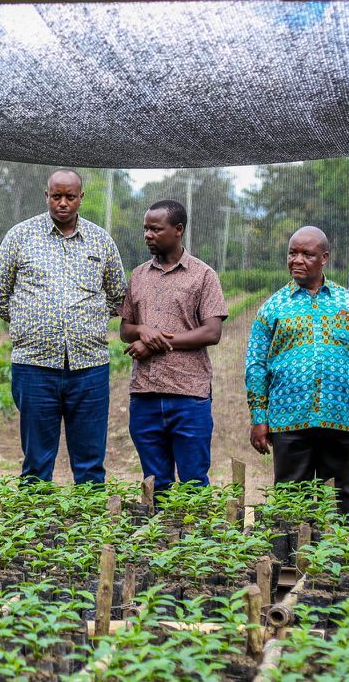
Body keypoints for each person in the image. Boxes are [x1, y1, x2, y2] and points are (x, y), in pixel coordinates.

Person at [0, 169, 126, 484]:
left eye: (70, 197)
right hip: (34, 365)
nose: (62, 203)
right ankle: (35, 527)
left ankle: (90, 524)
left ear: (81, 198)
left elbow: (118, 295)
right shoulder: (20, 236)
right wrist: (30, 321)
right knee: (36, 461)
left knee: (90, 462)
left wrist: (88, 319)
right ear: (46, 195)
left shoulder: (101, 240)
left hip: (89, 365)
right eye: (56, 196)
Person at [246, 226, 349, 514]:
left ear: (324, 258)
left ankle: (338, 556)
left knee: (338, 497)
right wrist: (259, 417)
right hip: (289, 419)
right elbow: (256, 365)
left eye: (306, 254)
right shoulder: (273, 307)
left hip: (341, 417)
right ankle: (288, 556)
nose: (297, 260)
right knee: (291, 500)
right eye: (292, 253)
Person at [119, 200, 227, 489]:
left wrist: (154, 342)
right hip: (145, 394)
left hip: (189, 394)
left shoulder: (203, 275)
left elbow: (211, 332)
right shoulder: (138, 275)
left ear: (178, 230)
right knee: (155, 483)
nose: (148, 235)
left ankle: (195, 534)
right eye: (146, 229)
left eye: (156, 229)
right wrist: (142, 330)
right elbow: (125, 330)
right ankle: (160, 534)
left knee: (193, 481)